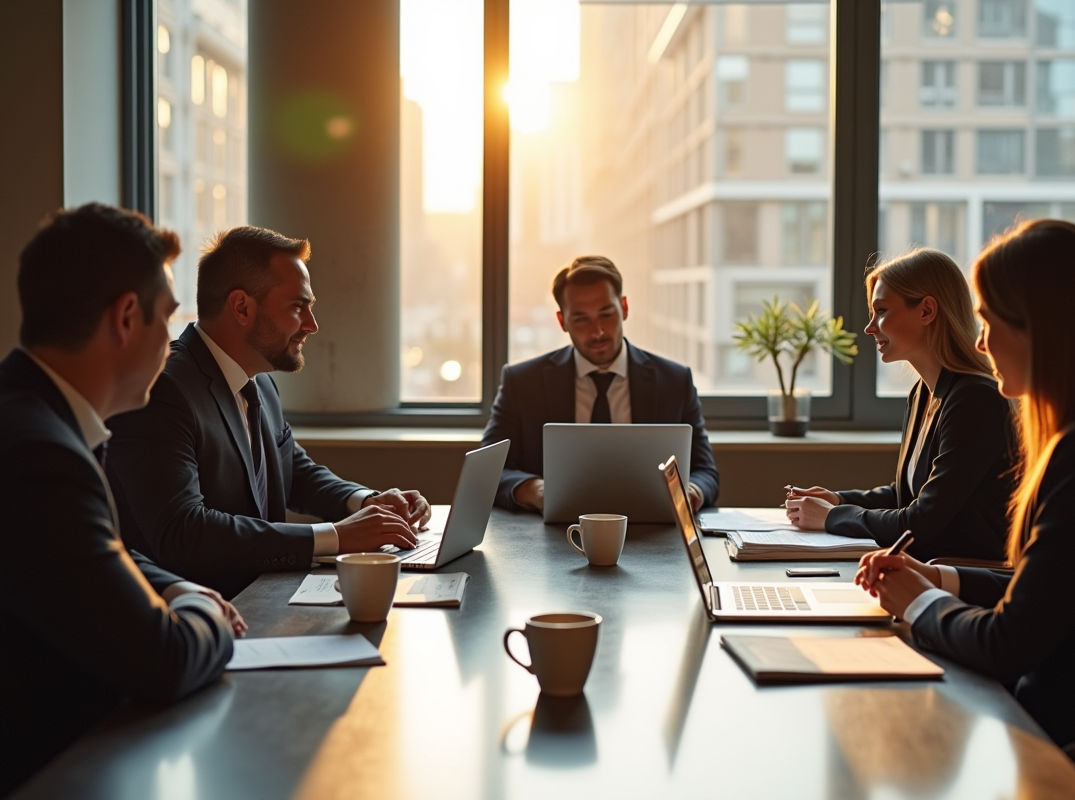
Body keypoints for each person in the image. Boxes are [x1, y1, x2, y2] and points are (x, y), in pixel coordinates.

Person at [857, 220, 1075, 800]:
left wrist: (919, 604)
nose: (981, 341)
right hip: (1050, 730)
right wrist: (939, 578)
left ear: (1046, 328)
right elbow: (1047, 587)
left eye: (990, 320)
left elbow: (1010, 641)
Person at [0, 204, 238, 795]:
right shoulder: (41, 455)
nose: (172, 342)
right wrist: (216, 614)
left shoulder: (33, 418)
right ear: (127, 318)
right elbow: (163, 659)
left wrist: (179, 587)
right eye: (167, 318)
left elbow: (100, 554)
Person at [107, 226, 431, 600]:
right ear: (242, 307)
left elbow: (294, 472)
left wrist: (366, 502)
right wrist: (337, 536)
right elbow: (183, 530)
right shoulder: (164, 390)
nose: (312, 325)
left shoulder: (258, 382)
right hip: (199, 616)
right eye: (298, 307)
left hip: (262, 598)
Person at [786, 248, 1014, 562]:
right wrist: (837, 500)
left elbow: (920, 521)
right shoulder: (923, 393)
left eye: (881, 311)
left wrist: (830, 517)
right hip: (923, 567)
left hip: (958, 576)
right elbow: (905, 495)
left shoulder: (977, 400)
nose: (869, 327)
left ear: (926, 311)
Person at [482, 255, 719, 512]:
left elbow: (705, 472)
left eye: (606, 314)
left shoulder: (674, 381)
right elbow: (488, 472)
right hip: (552, 538)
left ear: (624, 307)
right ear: (562, 321)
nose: (597, 332)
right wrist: (537, 490)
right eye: (582, 319)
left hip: (655, 534)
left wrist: (692, 492)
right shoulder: (522, 383)